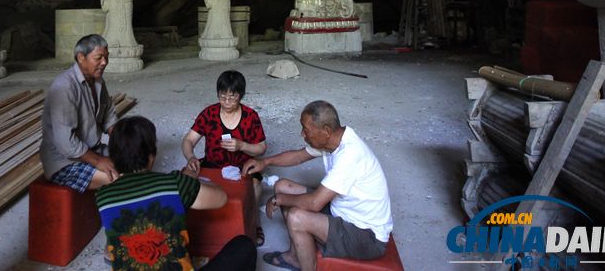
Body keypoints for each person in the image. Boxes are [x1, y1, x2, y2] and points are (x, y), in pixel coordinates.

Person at [242, 100, 392, 271]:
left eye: (306, 130)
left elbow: (315, 203)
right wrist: (265, 161)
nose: (302, 134)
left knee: (296, 217)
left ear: (326, 130)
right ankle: (294, 257)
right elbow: (298, 156)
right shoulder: (333, 140)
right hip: (342, 211)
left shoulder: (350, 155)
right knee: (283, 185)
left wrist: (279, 200)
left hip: (366, 236)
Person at [96, 116, 257, 270]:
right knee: (244, 246)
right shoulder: (174, 183)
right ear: (152, 156)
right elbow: (220, 198)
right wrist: (191, 180)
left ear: (114, 158)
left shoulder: (103, 196)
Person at [181, 70, 267, 244]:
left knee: (256, 183)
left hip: (243, 165)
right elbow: (188, 140)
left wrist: (242, 145)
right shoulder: (209, 114)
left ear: (240, 96)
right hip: (212, 163)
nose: (227, 102)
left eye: (232, 98)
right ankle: (190, 226)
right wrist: (191, 157)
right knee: (186, 177)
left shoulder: (250, 116)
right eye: (223, 97)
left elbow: (261, 148)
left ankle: (254, 222)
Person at [41, 34, 119, 191]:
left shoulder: (97, 81)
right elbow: (66, 144)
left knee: (142, 158)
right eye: (99, 58)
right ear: (81, 57)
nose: (104, 62)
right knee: (117, 179)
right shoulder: (64, 87)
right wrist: (98, 161)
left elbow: (108, 117)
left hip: (92, 150)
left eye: (106, 57)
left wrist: (124, 142)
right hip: (65, 161)